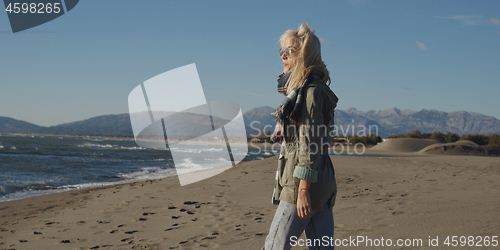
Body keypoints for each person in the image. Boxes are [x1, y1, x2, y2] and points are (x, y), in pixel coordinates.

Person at [262, 22, 339, 250]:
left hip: (301, 185)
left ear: (305, 56)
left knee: (274, 247)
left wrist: (303, 190)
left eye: (290, 51)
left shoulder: (310, 93)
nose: (283, 56)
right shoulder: (309, 90)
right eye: (282, 51)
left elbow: (309, 143)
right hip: (321, 185)